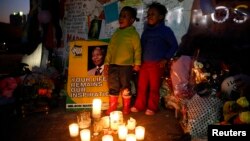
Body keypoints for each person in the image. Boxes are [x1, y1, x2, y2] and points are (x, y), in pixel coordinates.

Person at [130, 2, 178, 115]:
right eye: (148, 14)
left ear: (161, 17)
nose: (149, 16)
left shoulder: (166, 31)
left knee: (154, 88)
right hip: (144, 64)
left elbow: (174, 45)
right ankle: (139, 105)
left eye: (153, 14)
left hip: (157, 65)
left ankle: (152, 107)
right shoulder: (146, 31)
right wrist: (138, 61)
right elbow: (141, 46)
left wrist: (166, 58)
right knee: (141, 86)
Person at [104, 6, 141, 115]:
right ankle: (113, 106)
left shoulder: (133, 33)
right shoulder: (116, 33)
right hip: (113, 65)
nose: (121, 18)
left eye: (125, 16)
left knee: (125, 86)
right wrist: (106, 63)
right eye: (120, 16)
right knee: (113, 85)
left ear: (132, 20)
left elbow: (137, 49)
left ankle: (126, 107)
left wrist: (137, 63)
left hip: (126, 66)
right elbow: (110, 48)